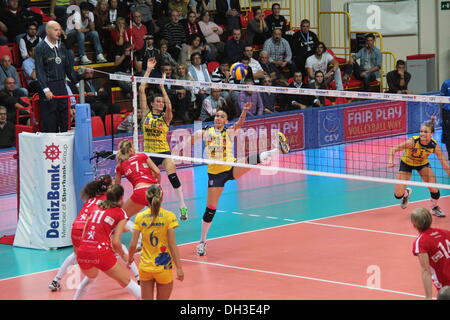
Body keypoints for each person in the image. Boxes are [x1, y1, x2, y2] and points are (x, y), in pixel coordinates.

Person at [193, 104, 290, 256]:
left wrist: (244, 111)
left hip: (231, 167)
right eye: (217, 116)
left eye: (222, 117)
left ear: (225, 121)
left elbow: (240, 123)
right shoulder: (206, 132)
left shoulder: (230, 132)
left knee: (251, 160)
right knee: (210, 209)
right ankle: (202, 242)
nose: (218, 118)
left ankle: (277, 150)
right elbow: (191, 141)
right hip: (215, 175)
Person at [49, 175, 140, 291]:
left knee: (78, 254)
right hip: (88, 228)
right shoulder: (107, 202)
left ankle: (56, 280)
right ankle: (138, 279)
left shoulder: (91, 199)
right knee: (120, 247)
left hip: (76, 228)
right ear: (108, 188)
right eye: (112, 184)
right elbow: (122, 225)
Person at [139, 58, 189, 220]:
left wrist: (162, 87)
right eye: (158, 102)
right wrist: (148, 70)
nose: (161, 104)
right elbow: (141, 89)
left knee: (173, 176)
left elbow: (169, 107)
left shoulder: (165, 118)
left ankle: (182, 207)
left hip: (164, 152)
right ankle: (151, 211)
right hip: (149, 155)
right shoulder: (146, 113)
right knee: (151, 184)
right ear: (152, 104)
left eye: (162, 102)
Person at [73, 184, 141, 300]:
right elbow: (116, 242)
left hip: (82, 252)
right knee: (127, 282)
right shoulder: (120, 213)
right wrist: (125, 257)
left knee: (91, 278)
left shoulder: (95, 208)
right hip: (101, 252)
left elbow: (85, 232)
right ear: (121, 199)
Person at [127, 184, 184, 300]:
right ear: (161, 198)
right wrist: (179, 268)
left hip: (145, 268)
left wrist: (130, 260)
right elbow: (172, 244)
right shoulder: (169, 216)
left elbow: (133, 244)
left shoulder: (140, 217)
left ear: (146, 199)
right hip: (163, 268)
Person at [387, 118, 450, 217]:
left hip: (422, 164)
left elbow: (445, 165)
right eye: (421, 131)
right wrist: (390, 161)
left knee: (434, 187)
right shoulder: (412, 142)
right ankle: (406, 193)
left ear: (432, 134)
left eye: (425, 132)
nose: (422, 134)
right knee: (398, 195)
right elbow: (393, 149)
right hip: (406, 163)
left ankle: (434, 208)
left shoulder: (434, 146)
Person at [35, 21, 78, 133]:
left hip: (61, 84)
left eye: (59, 30)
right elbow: (39, 71)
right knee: (51, 116)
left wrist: (77, 83)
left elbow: (68, 68)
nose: (58, 32)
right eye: (55, 30)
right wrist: (46, 89)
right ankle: (51, 144)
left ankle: (64, 141)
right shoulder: (40, 48)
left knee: (64, 113)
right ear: (47, 31)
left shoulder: (62, 46)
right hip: (49, 85)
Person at [115, 138, 161, 219]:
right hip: (156, 189)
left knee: (121, 216)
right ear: (131, 149)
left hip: (141, 191)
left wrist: (119, 200)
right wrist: (158, 185)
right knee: (156, 217)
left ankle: (117, 231)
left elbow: (116, 186)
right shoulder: (142, 155)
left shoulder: (120, 165)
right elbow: (157, 171)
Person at [411, 207, 450, 299]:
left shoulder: (420, 242)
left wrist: (428, 297)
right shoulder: (446, 232)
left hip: (445, 284)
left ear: (414, 225)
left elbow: (426, 271)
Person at [440, 77, 450, 160]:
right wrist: (441, 115)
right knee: (447, 134)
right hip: (447, 112)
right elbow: (441, 100)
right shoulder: (446, 83)